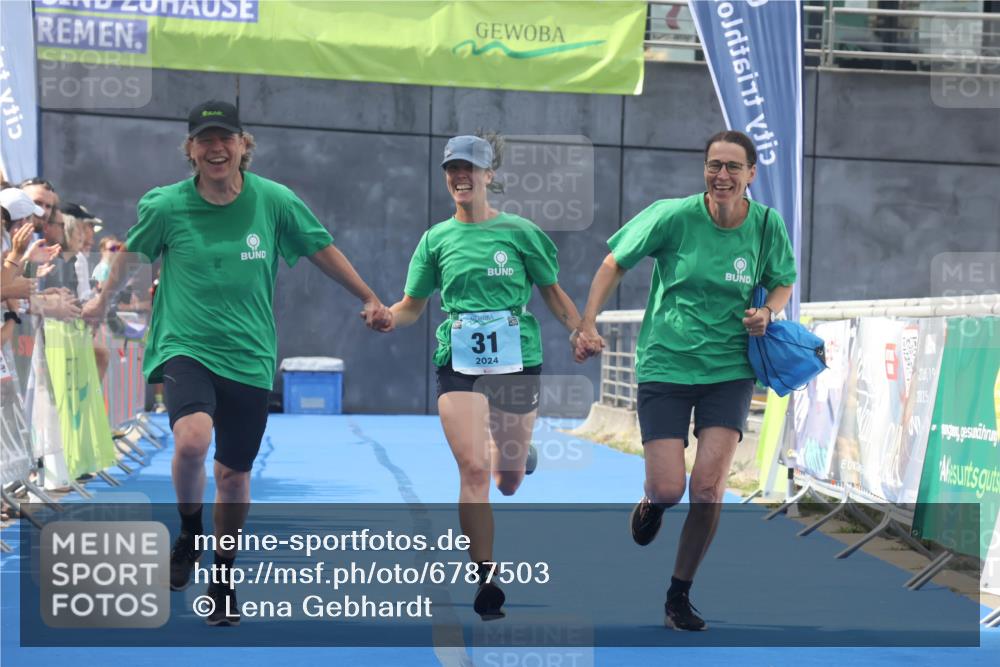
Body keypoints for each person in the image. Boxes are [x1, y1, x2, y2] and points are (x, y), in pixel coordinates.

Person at [82, 100, 392, 626]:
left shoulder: (274, 201)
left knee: (232, 476)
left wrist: (368, 296)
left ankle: (222, 576)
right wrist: (99, 304)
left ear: (244, 145)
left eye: (225, 138)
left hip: (249, 356)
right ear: (190, 150)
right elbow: (130, 259)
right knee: (192, 442)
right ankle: (188, 532)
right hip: (186, 346)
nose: (216, 148)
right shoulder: (166, 206)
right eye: (204, 140)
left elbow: (321, 249)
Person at [573, 130, 797, 631]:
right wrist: (587, 323)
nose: (722, 175)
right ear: (705, 170)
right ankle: (652, 500)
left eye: (733, 167)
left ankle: (679, 594)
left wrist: (767, 309)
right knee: (672, 487)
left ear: (751, 174)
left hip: (730, 370)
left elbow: (784, 277)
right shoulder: (672, 215)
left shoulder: (765, 225)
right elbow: (614, 262)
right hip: (666, 364)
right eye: (714, 165)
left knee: (710, 487)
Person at [384, 133, 583, 620]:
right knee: (472, 471)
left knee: (508, 479)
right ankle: (485, 578)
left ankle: (508, 453)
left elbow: (553, 294)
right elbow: (412, 305)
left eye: (470, 168)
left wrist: (581, 330)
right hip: (459, 363)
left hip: (516, 359)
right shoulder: (435, 239)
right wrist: (388, 316)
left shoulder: (520, 232)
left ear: (489, 175)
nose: (460, 176)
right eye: (452, 168)